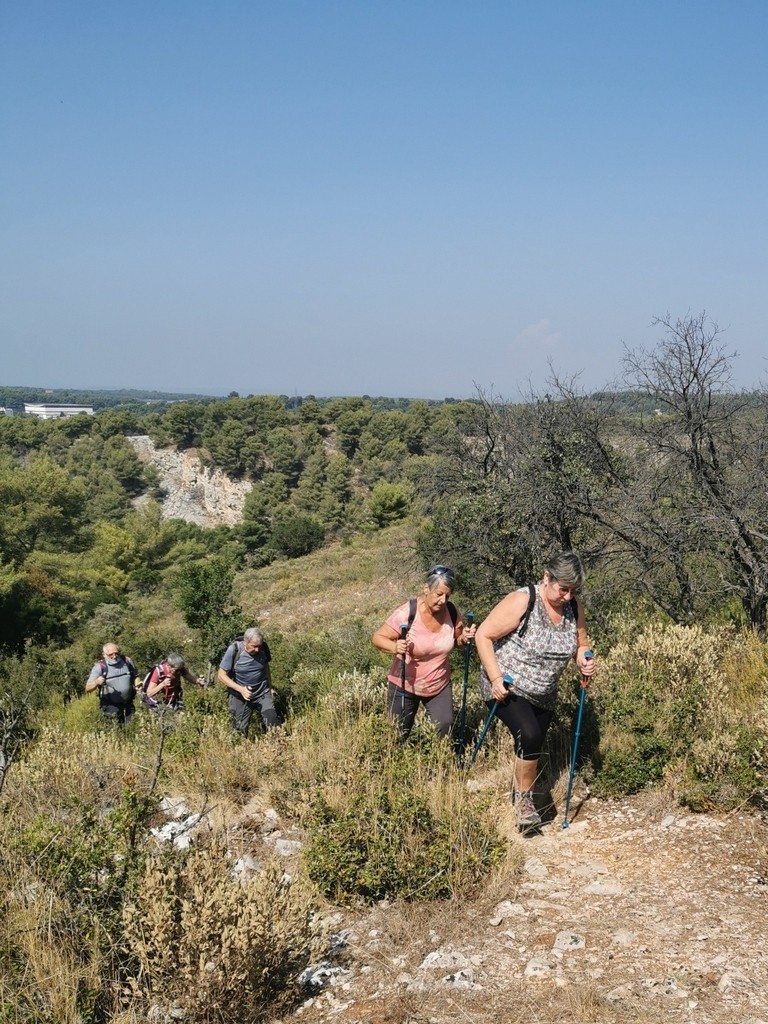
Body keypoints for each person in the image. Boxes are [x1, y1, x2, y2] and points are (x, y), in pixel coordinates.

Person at [474, 551, 596, 831]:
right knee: (528, 734)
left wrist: (584, 658)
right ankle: (525, 805)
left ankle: (521, 792)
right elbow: (483, 635)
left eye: (573, 590)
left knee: (533, 742)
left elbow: (581, 642)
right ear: (546, 577)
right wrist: (494, 678)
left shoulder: (573, 607)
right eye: (563, 589)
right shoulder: (523, 600)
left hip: (544, 692)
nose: (567, 596)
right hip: (506, 685)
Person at [372, 565, 476, 741]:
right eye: (438, 594)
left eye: (447, 596)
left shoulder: (451, 612)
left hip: (438, 684)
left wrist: (464, 638)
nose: (443, 600)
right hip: (404, 684)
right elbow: (377, 638)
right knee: (396, 735)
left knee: (444, 727)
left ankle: (440, 764)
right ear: (426, 588)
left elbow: (456, 641)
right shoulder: (407, 613)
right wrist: (395, 647)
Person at [217, 628, 279, 737]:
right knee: (239, 730)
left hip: (262, 693)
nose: (257, 650)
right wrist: (241, 690)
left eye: (259, 646)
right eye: (254, 646)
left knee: (272, 721)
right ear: (245, 642)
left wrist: (270, 687)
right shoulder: (235, 650)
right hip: (240, 696)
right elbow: (221, 675)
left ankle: (277, 747)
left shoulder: (264, 648)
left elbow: (266, 668)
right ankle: (243, 750)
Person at [85, 642, 141, 726]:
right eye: (110, 654)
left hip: (128, 704)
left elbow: (135, 676)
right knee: (114, 731)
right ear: (104, 654)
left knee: (131, 729)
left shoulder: (126, 661)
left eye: (116, 653)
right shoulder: (100, 667)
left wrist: (138, 686)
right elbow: (87, 688)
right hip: (110, 706)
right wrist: (96, 682)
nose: (114, 656)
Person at [142, 652, 206, 711]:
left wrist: (198, 681)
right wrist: (163, 684)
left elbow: (191, 679)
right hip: (156, 704)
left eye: (177, 670)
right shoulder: (159, 671)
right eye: (174, 669)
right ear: (168, 665)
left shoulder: (179, 669)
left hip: (173, 701)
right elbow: (149, 693)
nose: (175, 672)